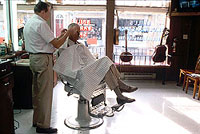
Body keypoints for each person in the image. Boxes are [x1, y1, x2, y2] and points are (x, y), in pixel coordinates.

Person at [54, 23, 138, 104]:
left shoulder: (79, 45)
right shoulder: (65, 47)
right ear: (70, 32)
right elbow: (65, 62)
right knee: (105, 60)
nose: (79, 35)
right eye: (77, 32)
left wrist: (95, 63)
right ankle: (121, 88)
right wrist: (63, 36)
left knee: (105, 67)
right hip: (78, 73)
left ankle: (120, 95)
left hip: (87, 69)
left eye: (79, 32)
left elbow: (88, 58)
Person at [23, 1, 73, 133]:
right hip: (43, 59)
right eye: (49, 12)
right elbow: (56, 45)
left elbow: (49, 42)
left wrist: (61, 35)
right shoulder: (41, 23)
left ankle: (36, 121)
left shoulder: (29, 22)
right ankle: (43, 126)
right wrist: (67, 34)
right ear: (43, 11)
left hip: (33, 59)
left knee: (37, 93)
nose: (49, 15)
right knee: (45, 94)